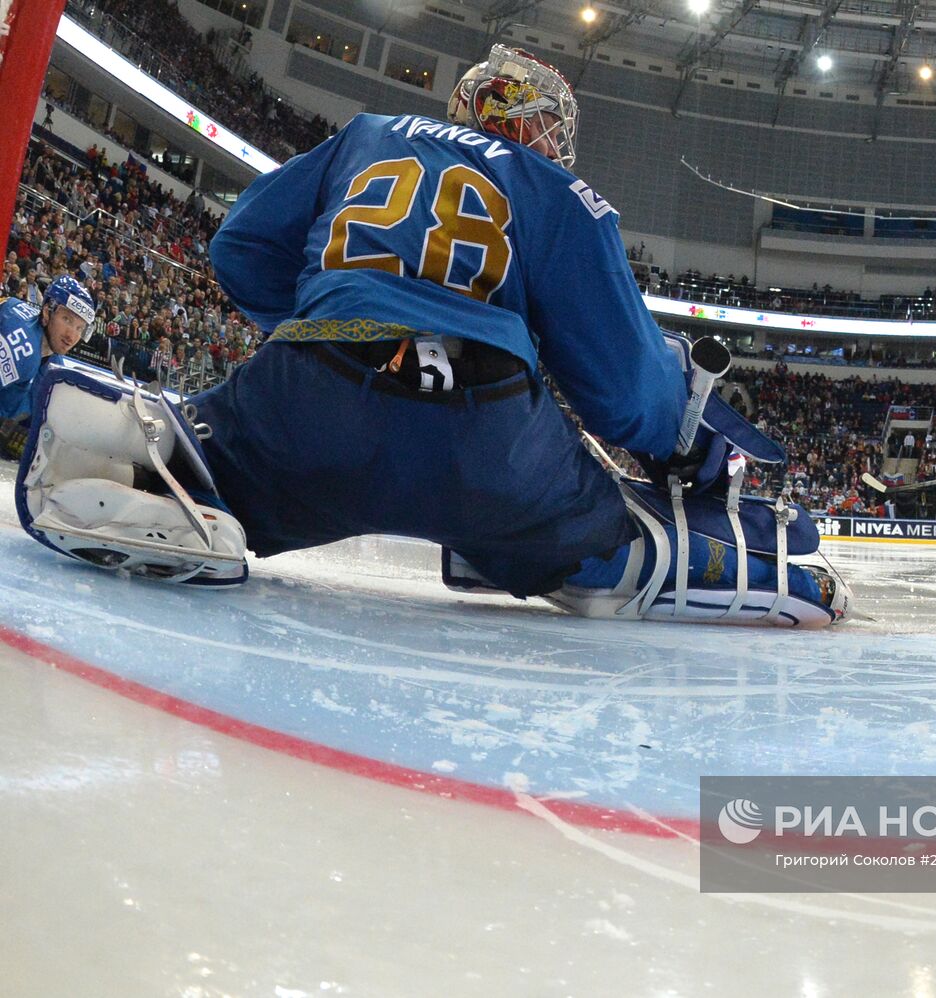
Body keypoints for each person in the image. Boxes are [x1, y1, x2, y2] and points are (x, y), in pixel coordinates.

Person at [16, 46, 849, 625]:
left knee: (208, 468)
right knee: (618, 549)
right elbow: (625, 390)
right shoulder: (556, 190)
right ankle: (735, 568)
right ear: (528, 122)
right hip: (485, 439)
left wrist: (324, 324)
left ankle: (145, 470)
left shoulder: (367, 134)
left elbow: (238, 245)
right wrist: (683, 443)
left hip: (310, 398)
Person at [0, 275, 95, 442]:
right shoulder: (22, 348)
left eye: (80, 328)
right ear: (46, 312)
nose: (72, 336)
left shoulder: (53, 364)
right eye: (67, 319)